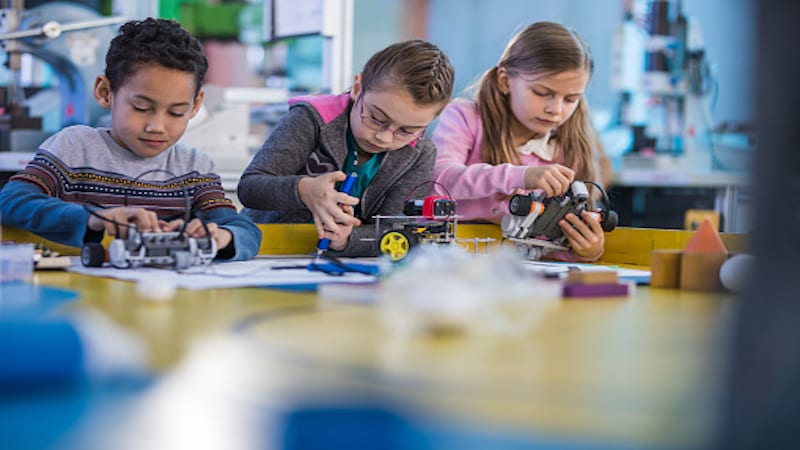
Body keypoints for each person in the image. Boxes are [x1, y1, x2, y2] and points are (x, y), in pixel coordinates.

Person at [0, 18, 261, 261]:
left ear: (195, 105)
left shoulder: (194, 168)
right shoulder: (73, 148)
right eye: (141, 108)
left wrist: (220, 236)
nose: (156, 126)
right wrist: (94, 219)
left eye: (176, 112)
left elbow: (243, 229)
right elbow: (11, 200)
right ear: (105, 92)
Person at [237, 40, 455, 256]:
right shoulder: (311, 119)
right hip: (265, 249)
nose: (384, 137)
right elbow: (250, 188)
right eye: (377, 118)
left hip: (348, 267)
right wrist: (303, 190)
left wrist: (346, 241)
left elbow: (395, 229)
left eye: (406, 131)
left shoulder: (421, 154)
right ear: (358, 89)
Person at [431, 22, 611, 261]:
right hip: (447, 260)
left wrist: (587, 252)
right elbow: (440, 182)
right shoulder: (464, 117)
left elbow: (552, 249)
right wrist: (521, 176)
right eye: (541, 93)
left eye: (570, 99)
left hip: (516, 275)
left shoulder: (569, 148)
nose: (555, 109)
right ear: (505, 81)